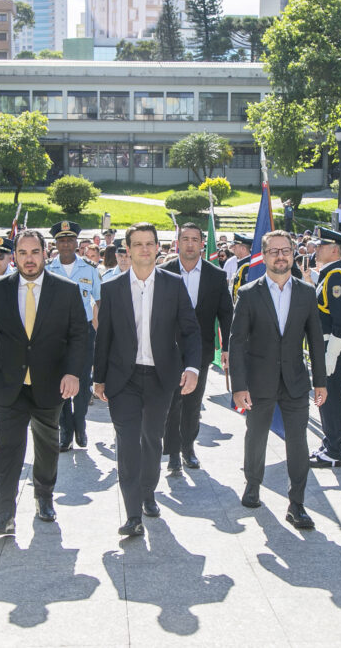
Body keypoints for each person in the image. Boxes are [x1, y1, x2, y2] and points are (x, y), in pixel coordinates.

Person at [0, 230, 88, 536]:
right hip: (8, 384)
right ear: (15, 256)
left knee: (47, 446)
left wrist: (73, 373)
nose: (29, 259)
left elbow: (78, 336)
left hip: (50, 384)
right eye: (23, 253)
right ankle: (3, 513)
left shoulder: (67, 290)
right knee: (8, 449)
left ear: (44, 253)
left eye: (35, 252)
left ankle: (44, 497)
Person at [92, 222, 201, 537]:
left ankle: (148, 492)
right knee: (127, 442)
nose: (143, 249)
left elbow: (190, 331)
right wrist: (98, 379)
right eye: (136, 244)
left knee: (152, 439)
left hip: (159, 378)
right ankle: (132, 514)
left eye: (149, 243)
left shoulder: (174, 284)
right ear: (126, 250)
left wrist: (192, 368)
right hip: (122, 379)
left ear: (158, 248)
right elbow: (105, 337)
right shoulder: (111, 288)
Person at [230, 230, 327, 529]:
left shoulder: (306, 293)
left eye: (286, 250)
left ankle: (297, 503)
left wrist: (320, 381)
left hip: (296, 382)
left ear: (293, 253)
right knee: (256, 437)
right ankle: (252, 485)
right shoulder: (248, 293)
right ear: (264, 255)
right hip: (259, 382)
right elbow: (236, 343)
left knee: (298, 442)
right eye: (274, 251)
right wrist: (238, 386)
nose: (281, 256)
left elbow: (314, 339)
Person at [161, 223, 234, 475]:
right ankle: (171, 454)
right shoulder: (164, 272)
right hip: (169, 349)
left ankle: (188, 447)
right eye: (185, 239)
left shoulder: (215, 275)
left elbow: (226, 312)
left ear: (202, 243)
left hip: (200, 349)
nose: (190, 243)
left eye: (195, 239)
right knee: (171, 402)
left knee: (192, 401)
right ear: (177, 242)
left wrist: (226, 348)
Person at [307, 228, 341, 469]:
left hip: (332, 345)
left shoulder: (336, 277)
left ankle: (335, 451)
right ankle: (330, 442)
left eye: (320, 246)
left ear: (333, 250)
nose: (315, 249)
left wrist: (331, 354)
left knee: (330, 398)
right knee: (325, 398)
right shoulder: (328, 275)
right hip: (326, 344)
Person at [46, 220, 101, 451]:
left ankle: (80, 422)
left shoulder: (89, 268)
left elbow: (99, 300)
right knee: (59, 383)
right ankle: (65, 431)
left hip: (83, 332)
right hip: (56, 334)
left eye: (70, 240)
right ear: (56, 244)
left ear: (76, 243)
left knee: (83, 381)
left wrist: (100, 331)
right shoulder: (47, 269)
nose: (66, 244)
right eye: (62, 240)